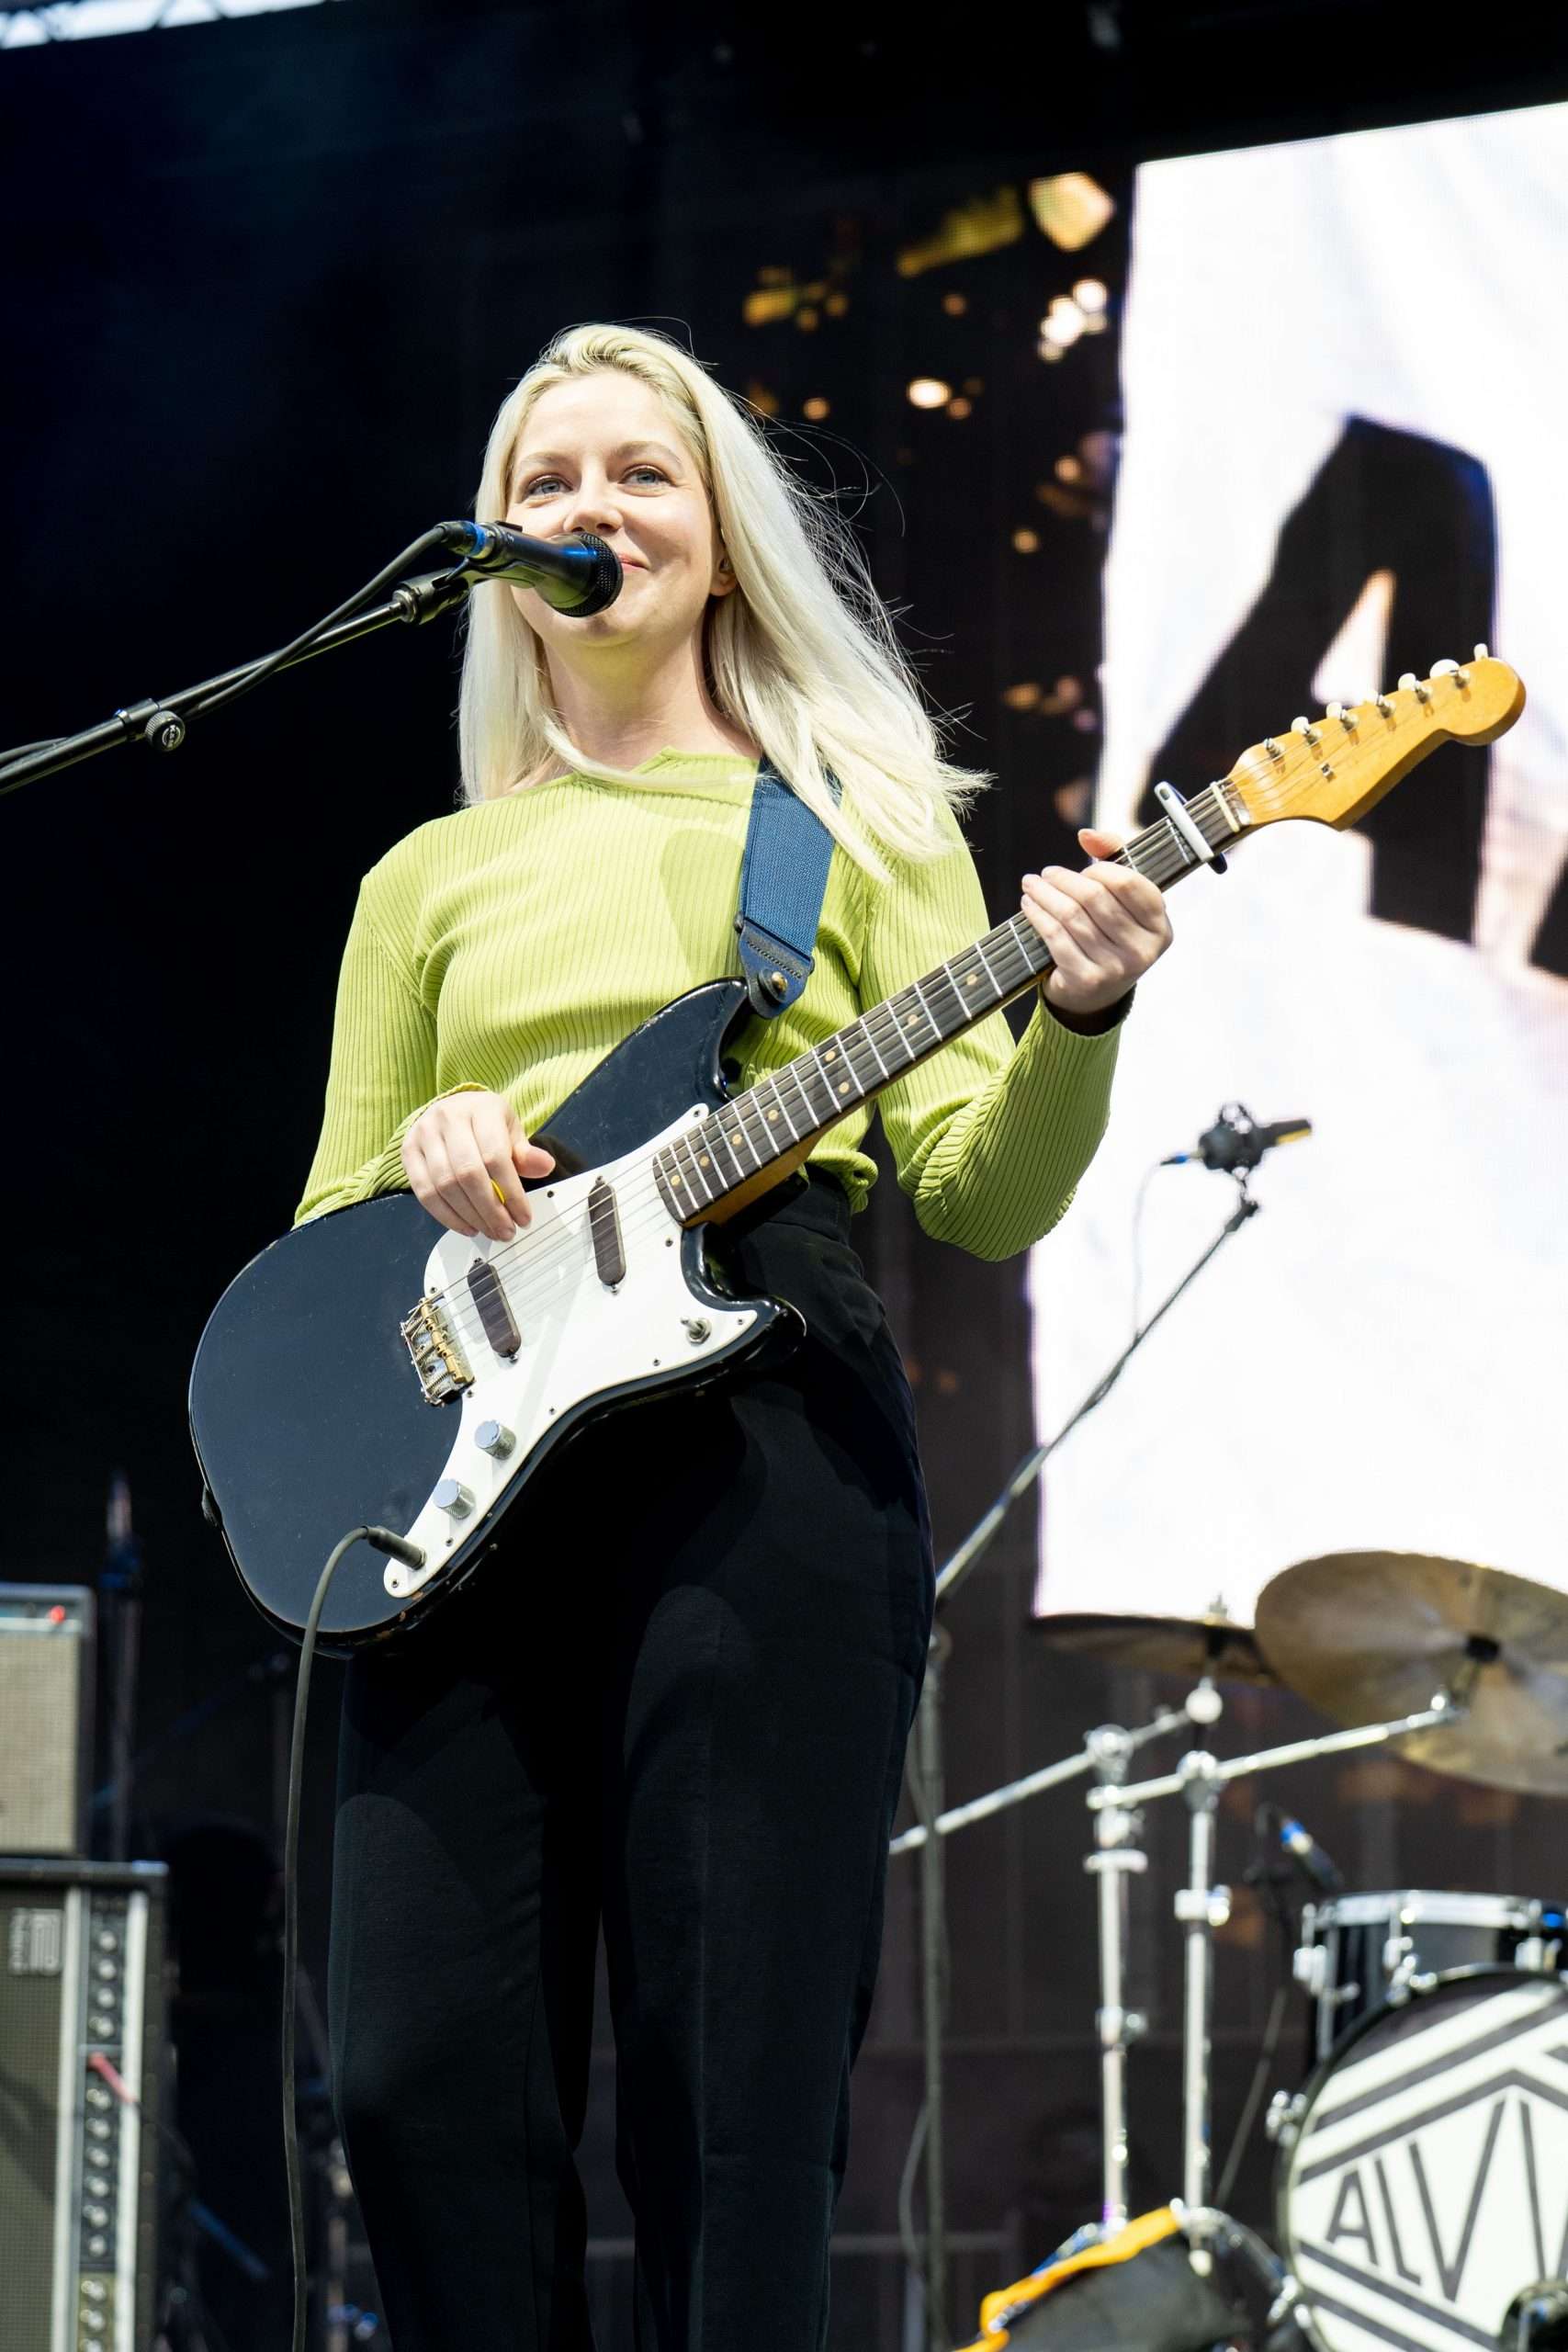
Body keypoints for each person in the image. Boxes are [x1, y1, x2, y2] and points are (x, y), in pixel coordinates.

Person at [295, 322, 1172, 2351]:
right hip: (466, 1457)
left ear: (719, 534)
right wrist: (424, 1160)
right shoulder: (425, 878)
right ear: (494, 549)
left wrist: (1080, 1012)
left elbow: (976, 1191)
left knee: (734, 2086)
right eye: (544, 482)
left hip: (763, 1424)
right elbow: (328, 1237)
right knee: (412, 2081)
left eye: (640, 472)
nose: (589, 508)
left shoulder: (853, 818)